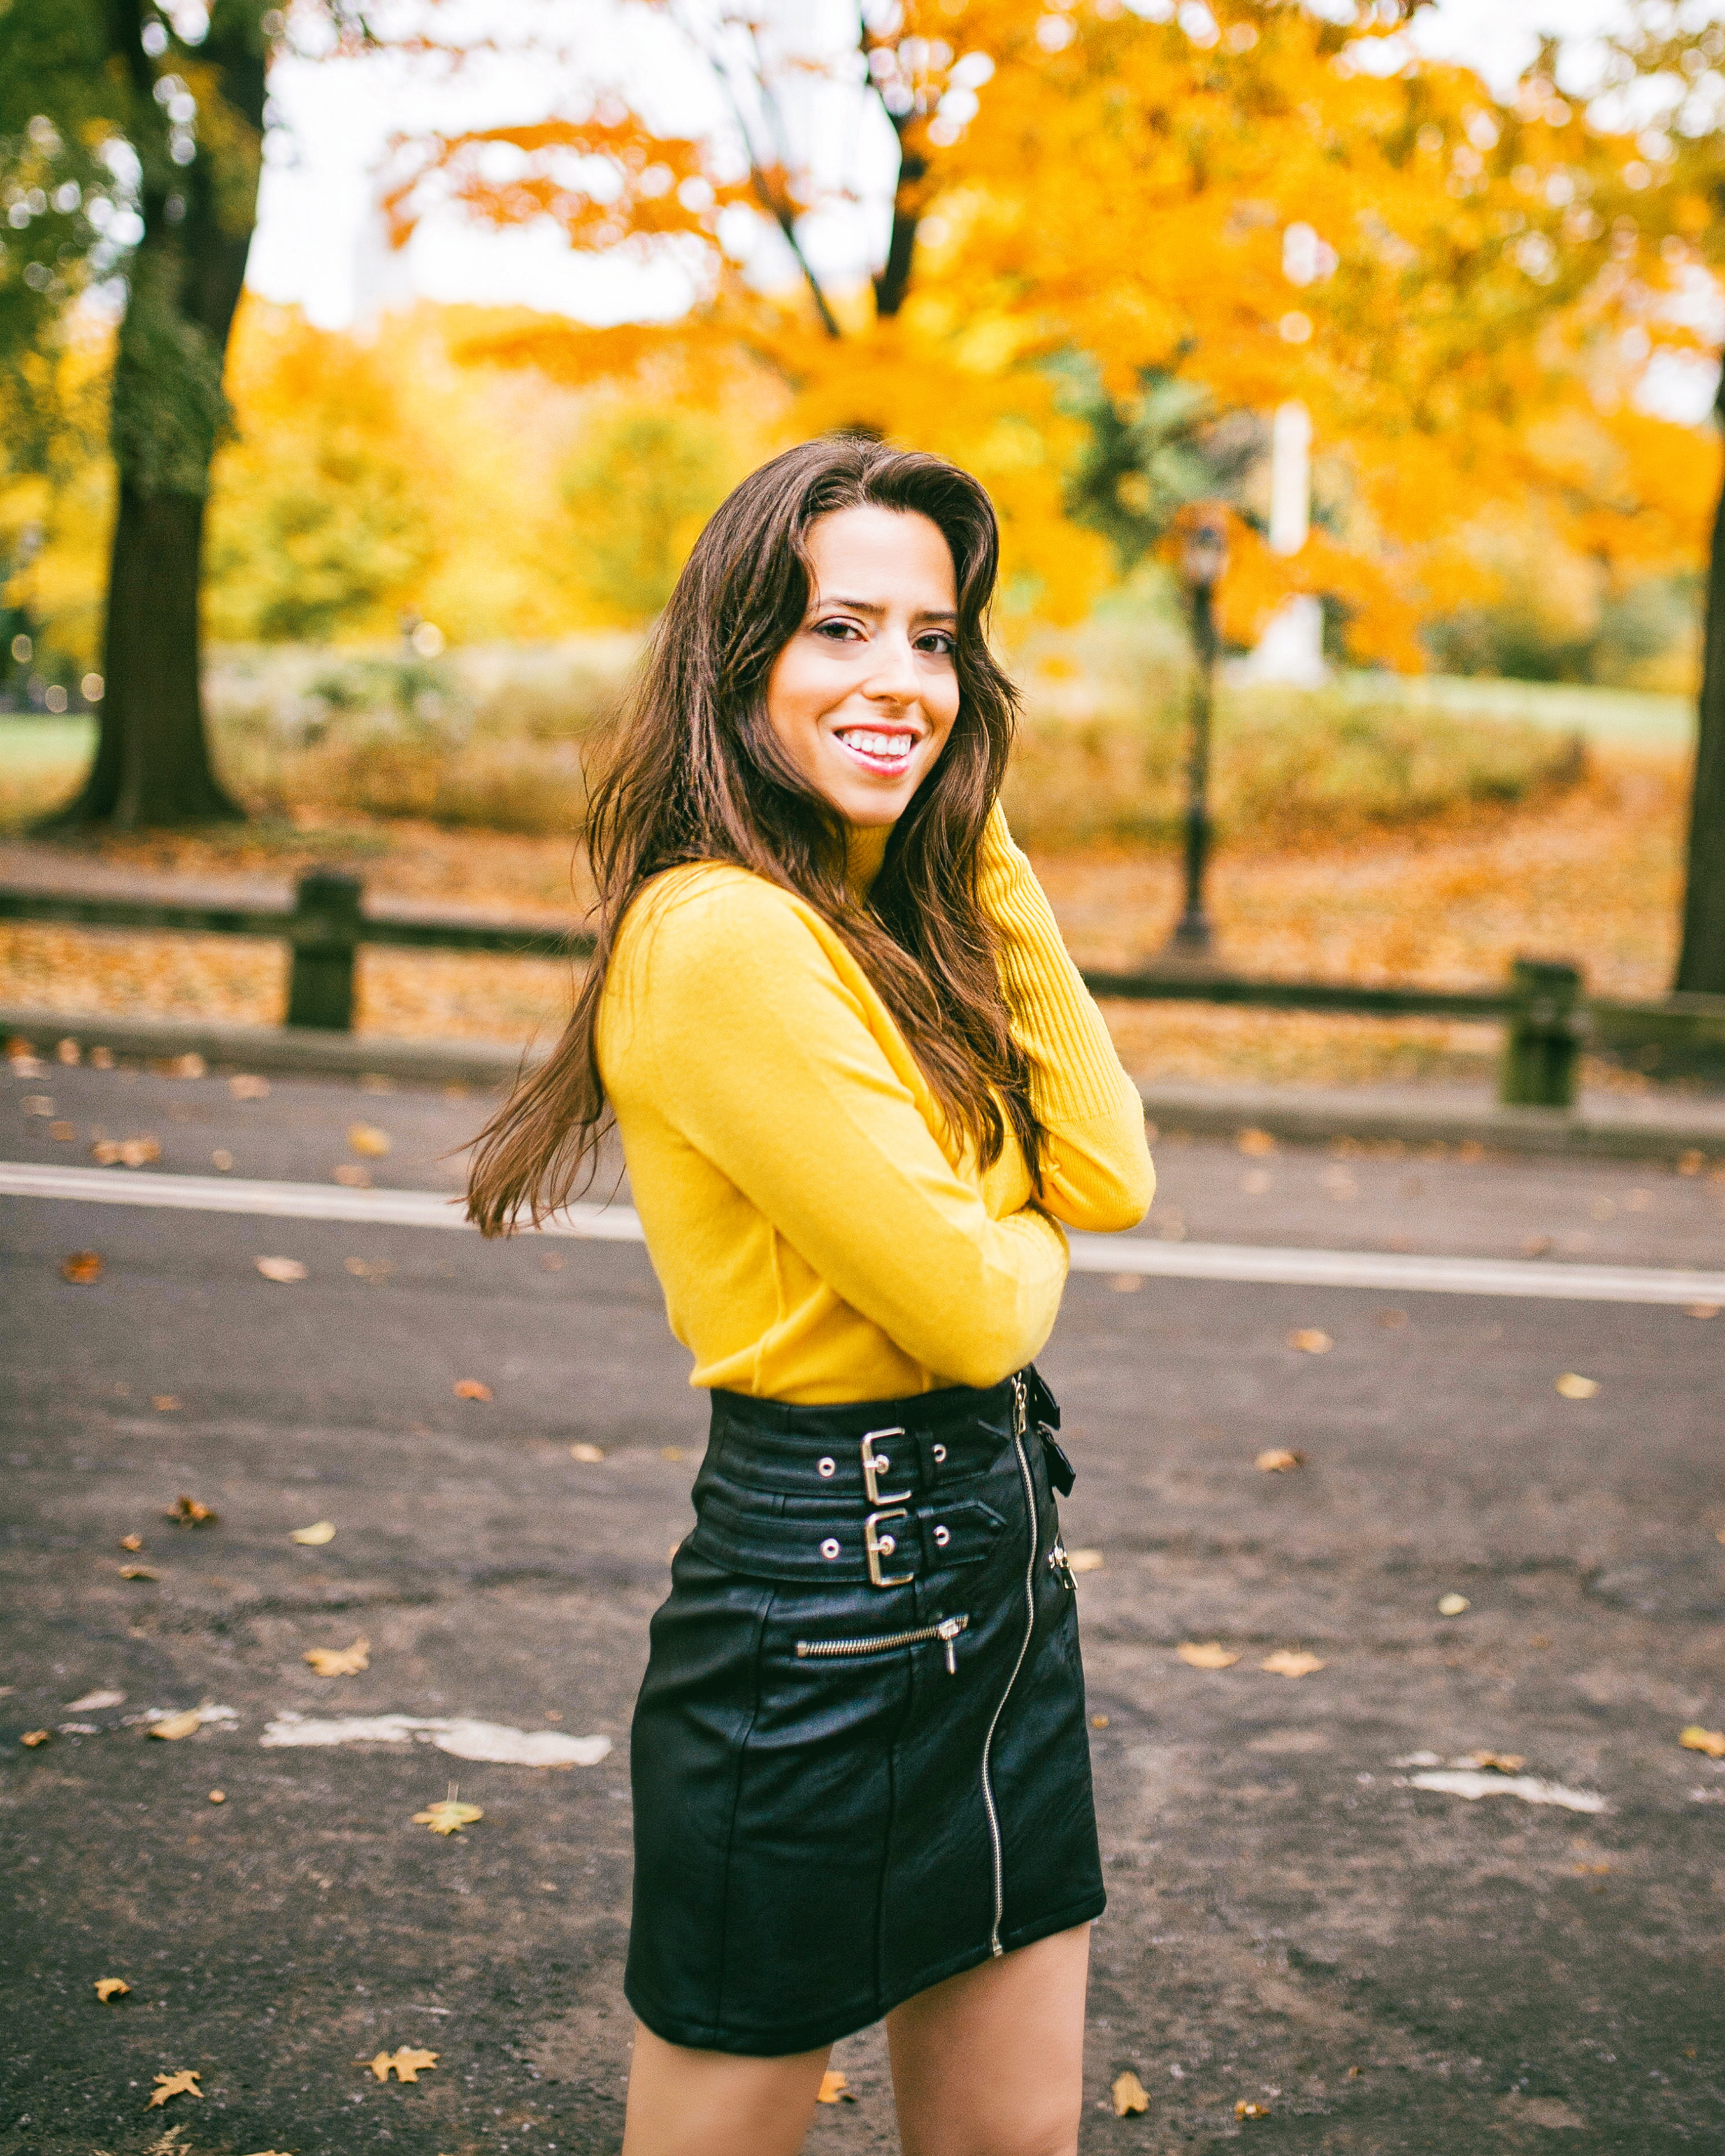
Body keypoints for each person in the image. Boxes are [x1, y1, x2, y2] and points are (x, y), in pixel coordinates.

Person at [467, 436, 1154, 2156]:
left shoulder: (880, 915)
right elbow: (986, 1306)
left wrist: (975, 836)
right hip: (817, 1620)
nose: (899, 680)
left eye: (934, 640)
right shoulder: (720, 937)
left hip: (1000, 1590)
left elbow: (1115, 1167)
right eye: (842, 627)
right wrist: (1016, 1227)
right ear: (740, 653)